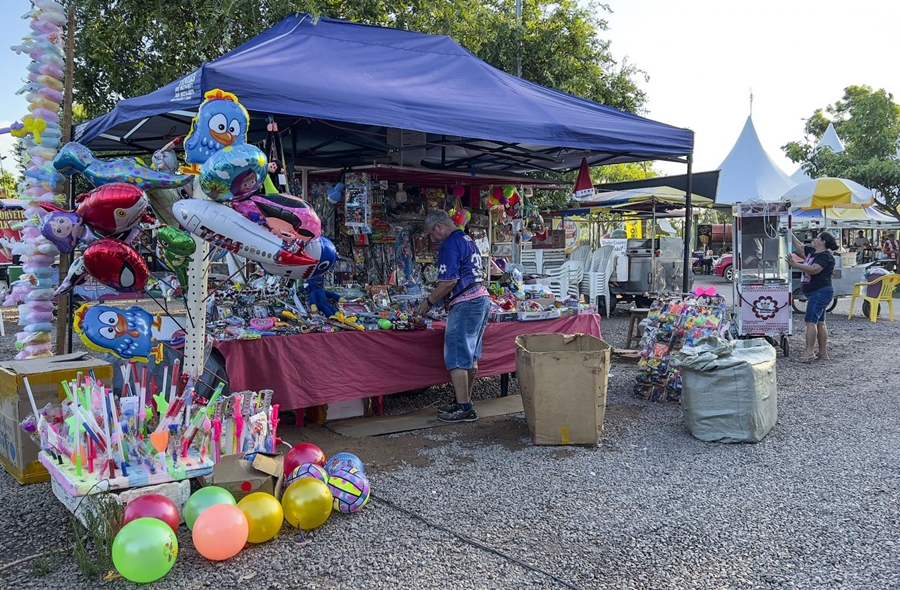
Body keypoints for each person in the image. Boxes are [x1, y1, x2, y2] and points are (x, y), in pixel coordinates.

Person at [416, 209, 491, 423]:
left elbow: (448, 282)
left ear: (439, 227)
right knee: (471, 355)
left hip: (466, 302)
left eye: (431, 233)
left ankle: (464, 407)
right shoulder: (466, 238)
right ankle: (464, 401)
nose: (432, 239)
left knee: (457, 356)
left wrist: (428, 302)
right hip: (481, 298)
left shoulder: (450, 244)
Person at [785, 231, 837, 362]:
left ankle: (809, 352)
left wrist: (795, 264)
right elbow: (800, 247)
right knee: (820, 322)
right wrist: (789, 233)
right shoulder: (814, 252)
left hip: (820, 292)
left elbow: (814, 270)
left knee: (810, 322)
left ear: (823, 242)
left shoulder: (825, 256)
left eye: (818, 237)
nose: (814, 239)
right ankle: (822, 352)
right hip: (817, 291)